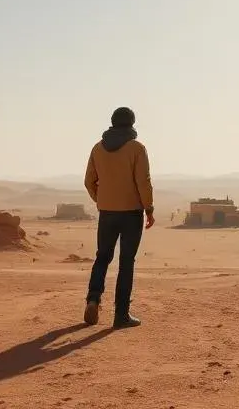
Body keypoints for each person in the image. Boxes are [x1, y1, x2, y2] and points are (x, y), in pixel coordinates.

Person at [82, 106, 155, 328]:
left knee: (102, 257)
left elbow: (88, 181)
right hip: (131, 213)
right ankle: (121, 315)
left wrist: (102, 199)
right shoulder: (137, 148)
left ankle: (93, 299)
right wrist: (149, 208)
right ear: (132, 123)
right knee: (126, 262)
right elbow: (143, 181)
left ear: (112, 123)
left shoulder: (97, 148)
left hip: (107, 212)